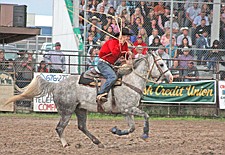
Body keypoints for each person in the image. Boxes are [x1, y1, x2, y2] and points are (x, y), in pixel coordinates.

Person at [96, 27, 132, 102]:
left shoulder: (124, 44)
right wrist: (120, 45)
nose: (127, 38)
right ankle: (101, 93)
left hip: (111, 64)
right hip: (103, 63)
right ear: (120, 36)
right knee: (112, 77)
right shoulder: (112, 42)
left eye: (127, 36)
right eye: (125, 36)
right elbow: (115, 53)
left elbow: (125, 55)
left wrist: (128, 54)